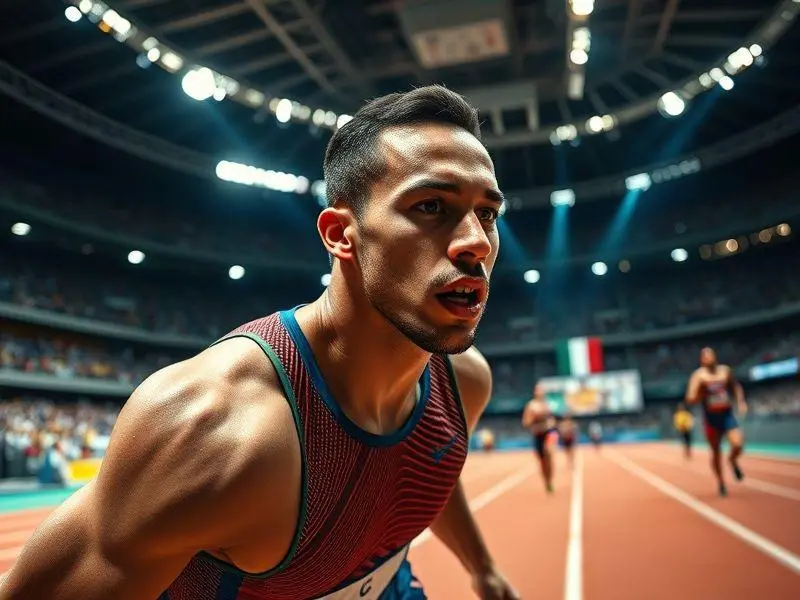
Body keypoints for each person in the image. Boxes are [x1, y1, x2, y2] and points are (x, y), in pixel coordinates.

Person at [0, 86, 520, 600]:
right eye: (432, 206)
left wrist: (483, 567)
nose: (476, 240)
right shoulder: (216, 430)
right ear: (341, 234)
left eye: (488, 214)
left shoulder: (463, 384)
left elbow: (430, 465)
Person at [685, 346, 748, 497]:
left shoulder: (725, 371)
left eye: (710, 355)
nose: (708, 359)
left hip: (726, 415)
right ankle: (721, 482)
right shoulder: (698, 376)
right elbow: (690, 398)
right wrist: (701, 391)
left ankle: (732, 461)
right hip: (711, 418)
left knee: (737, 444)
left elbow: (736, 386)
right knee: (716, 452)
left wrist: (741, 402)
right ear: (701, 360)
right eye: (705, 357)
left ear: (715, 356)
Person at [522, 383, 558, 494]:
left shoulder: (550, 404)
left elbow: (555, 419)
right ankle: (547, 482)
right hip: (538, 434)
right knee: (542, 462)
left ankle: (550, 478)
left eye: (542, 390)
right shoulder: (531, 406)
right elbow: (525, 422)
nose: (540, 392)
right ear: (535, 392)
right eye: (538, 390)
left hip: (550, 432)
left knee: (549, 452)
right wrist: (533, 418)